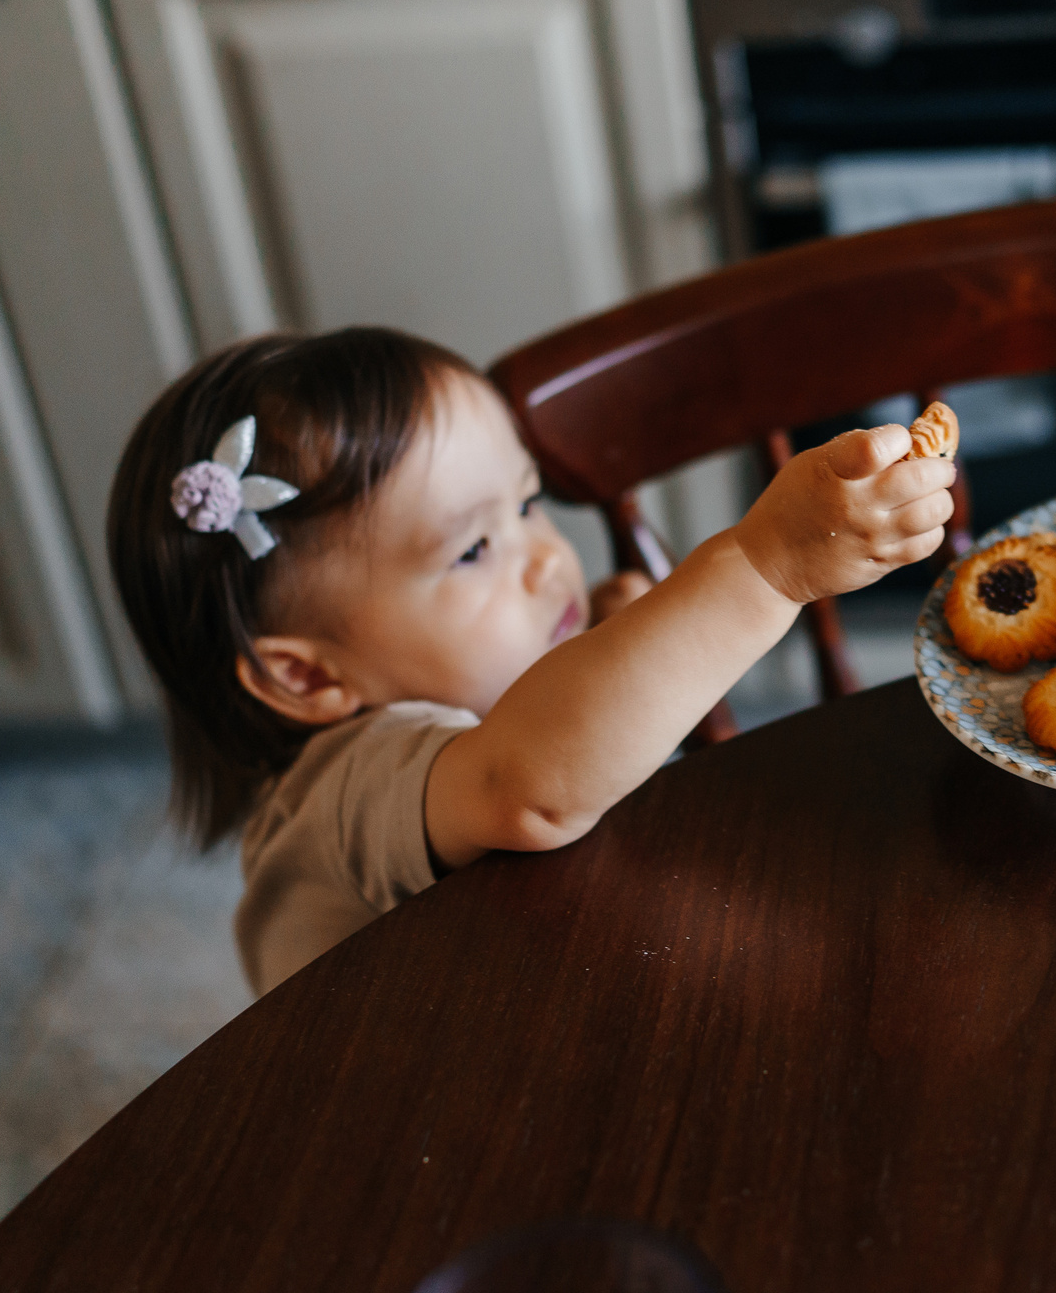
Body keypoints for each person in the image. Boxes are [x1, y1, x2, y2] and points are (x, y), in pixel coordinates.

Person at [107, 327, 955, 993]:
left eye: (527, 503)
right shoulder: (347, 786)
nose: (548, 559)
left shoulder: (484, 709)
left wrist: (623, 650)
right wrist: (766, 568)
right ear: (310, 677)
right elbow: (532, 789)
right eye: (474, 550)